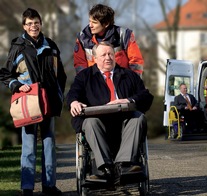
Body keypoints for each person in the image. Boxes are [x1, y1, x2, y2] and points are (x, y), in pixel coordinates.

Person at [0, 8, 66, 196]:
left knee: (49, 145)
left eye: (36, 22)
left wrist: (59, 96)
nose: (33, 26)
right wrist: (17, 86)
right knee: (28, 147)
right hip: (28, 104)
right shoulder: (18, 47)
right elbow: (5, 74)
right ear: (24, 26)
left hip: (49, 103)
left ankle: (49, 186)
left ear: (41, 23)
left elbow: (60, 74)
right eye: (29, 23)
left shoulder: (51, 46)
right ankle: (27, 188)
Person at [67, 42, 153, 184]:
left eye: (110, 54)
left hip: (125, 126)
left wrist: (128, 100)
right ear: (94, 58)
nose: (108, 58)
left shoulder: (129, 75)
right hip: (98, 126)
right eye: (103, 55)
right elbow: (72, 94)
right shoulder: (84, 77)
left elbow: (146, 96)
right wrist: (74, 102)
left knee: (138, 118)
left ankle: (124, 166)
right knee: (90, 122)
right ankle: (103, 168)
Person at [74, 4, 144, 77]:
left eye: (94, 22)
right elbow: (80, 65)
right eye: (90, 21)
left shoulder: (124, 35)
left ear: (106, 24)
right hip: (95, 84)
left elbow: (136, 62)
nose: (90, 25)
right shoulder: (83, 38)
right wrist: (84, 84)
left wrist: (134, 83)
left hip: (121, 83)